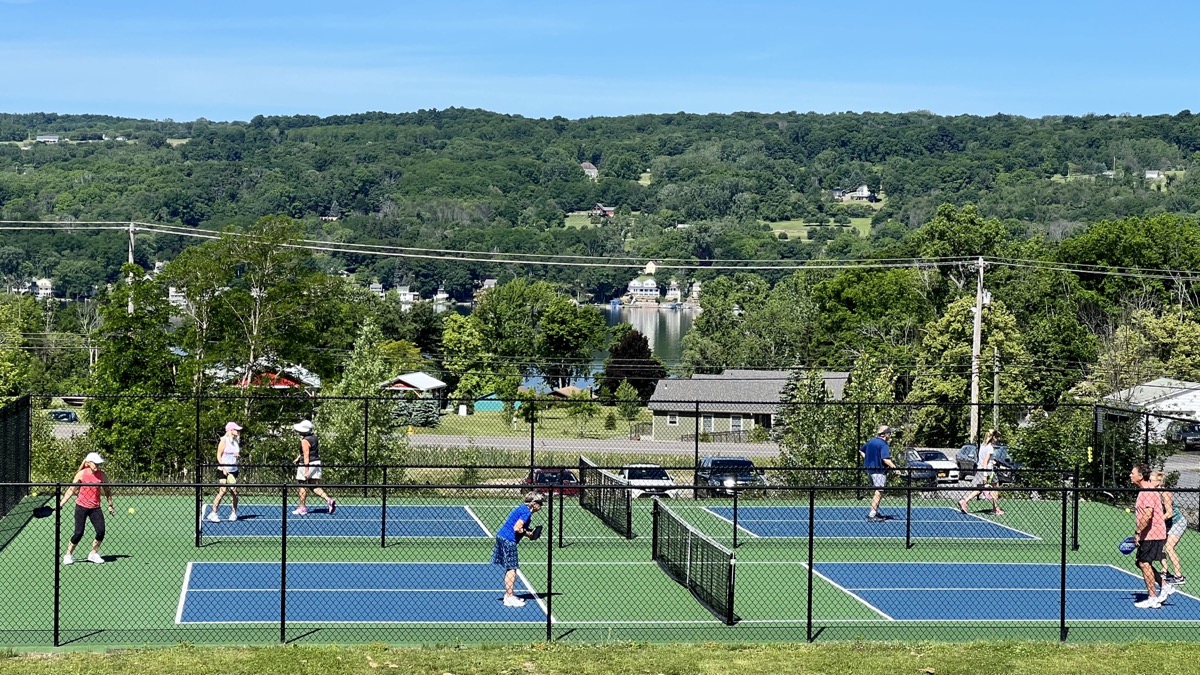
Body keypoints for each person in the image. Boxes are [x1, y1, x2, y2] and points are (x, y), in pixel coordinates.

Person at [58, 452, 114, 565]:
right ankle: (68, 555)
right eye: (95, 463)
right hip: (81, 507)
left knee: (101, 531)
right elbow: (71, 490)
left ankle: (93, 554)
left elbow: (107, 491)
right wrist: (61, 504)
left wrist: (110, 505)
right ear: (88, 463)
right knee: (78, 533)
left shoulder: (102, 475)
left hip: (95, 508)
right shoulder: (81, 474)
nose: (98, 466)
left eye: (99, 464)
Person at [1130, 463, 1174, 608]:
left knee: (1144, 563)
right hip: (1149, 534)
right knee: (1140, 562)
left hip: (1153, 534)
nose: (1130, 475)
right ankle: (1165, 586)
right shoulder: (1144, 490)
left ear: (1141, 476)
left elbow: (1148, 515)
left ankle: (1153, 597)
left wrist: (1138, 532)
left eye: (1133, 473)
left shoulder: (1147, 491)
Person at [492, 491, 544, 607]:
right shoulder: (526, 513)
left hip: (502, 536)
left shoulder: (522, 508)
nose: (542, 505)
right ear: (534, 503)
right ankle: (509, 597)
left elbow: (519, 527)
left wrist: (527, 532)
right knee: (512, 568)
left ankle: (508, 595)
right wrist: (529, 534)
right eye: (540, 503)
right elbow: (517, 528)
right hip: (508, 540)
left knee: (510, 567)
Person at [291, 420, 335, 516]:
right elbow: (309, 452)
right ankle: (329, 500)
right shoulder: (314, 438)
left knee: (301, 484)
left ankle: (302, 507)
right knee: (313, 485)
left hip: (307, 464)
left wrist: (306, 470)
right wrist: (298, 457)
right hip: (316, 462)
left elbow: (306, 455)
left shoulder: (304, 440)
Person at [1151, 470, 1187, 585]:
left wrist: (1157, 521)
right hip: (1166, 523)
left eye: (1151, 479)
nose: (1149, 481)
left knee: (1169, 547)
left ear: (1158, 481)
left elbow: (1170, 513)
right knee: (1160, 546)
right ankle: (1164, 572)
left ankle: (1178, 576)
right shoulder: (1154, 493)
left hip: (1177, 522)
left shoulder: (1165, 493)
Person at [959, 429, 1004, 516]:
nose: (997, 439)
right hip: (987, 471)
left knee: (979, 489)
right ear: (992, 438)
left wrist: (994, 463)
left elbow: (984, 459)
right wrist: (985, 475)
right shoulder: (990, 448)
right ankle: (996, 509)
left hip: (980, 469)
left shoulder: (983, 446)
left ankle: (964, 501)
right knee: (996, 488)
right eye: (996, 437)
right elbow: (985, 462)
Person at [860, 425, 896, 522]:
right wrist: (895, 468)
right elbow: (885, 459)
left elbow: (861, 450)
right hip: (878, 471)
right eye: (889, 434)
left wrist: (868, 459)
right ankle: (872, 514)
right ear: (886, 434)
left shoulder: (871, 441)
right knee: (879, 492)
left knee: (878, 490)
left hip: (870, 469)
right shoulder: (883, 444)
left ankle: (875, 511)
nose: (890, 436)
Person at [208, 422, 242, 523]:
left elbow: (235, 454)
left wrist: (237, 456)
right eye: (236, 429)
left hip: (233, 470)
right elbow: (218, 455)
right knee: (222, 491)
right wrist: (223, 467)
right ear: (230, 430)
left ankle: (233, 513)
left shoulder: (236, 441)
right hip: (223, 470)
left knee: (234, 492)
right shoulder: (224, 440)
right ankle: (213, 513)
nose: (238, 431)